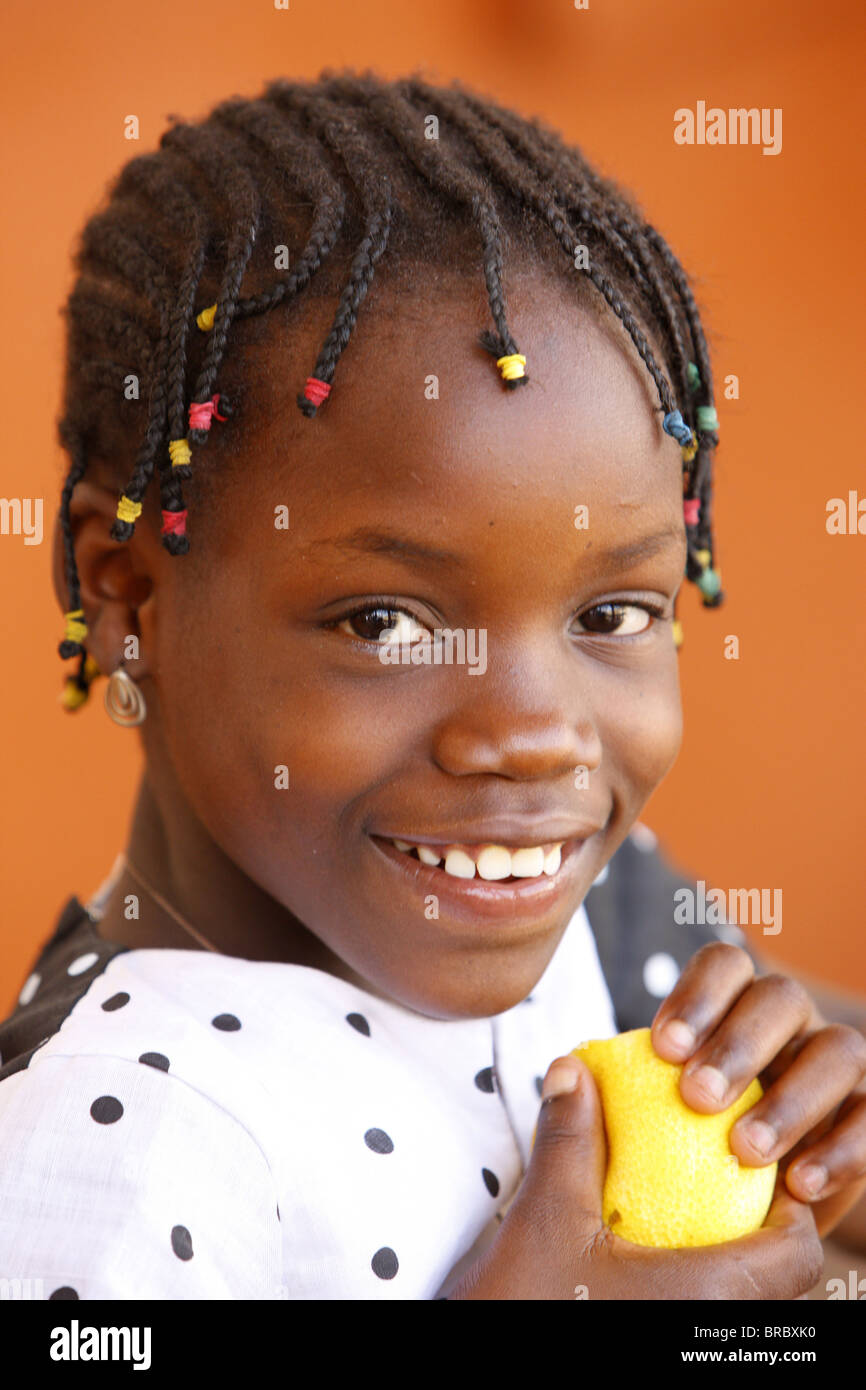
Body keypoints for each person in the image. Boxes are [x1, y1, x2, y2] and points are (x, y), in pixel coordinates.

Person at [0, 70, 863, 1300]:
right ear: (129, 598)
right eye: (385, 620)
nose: (530, 737)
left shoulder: (602, 921)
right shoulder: (116, 1145)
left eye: (611, 612)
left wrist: (831, 1153)